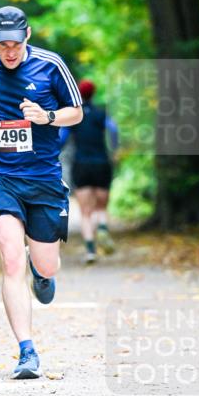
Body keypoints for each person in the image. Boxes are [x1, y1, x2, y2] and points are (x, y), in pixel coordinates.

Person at [0, 6, 83, 379]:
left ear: (27, 36)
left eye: (15, 44)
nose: (9, 52)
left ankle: (41, 272)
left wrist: (48, 117)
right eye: (2, 45)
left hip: (43, 178)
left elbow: (76, 111)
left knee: (47, 264)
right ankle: (27, 352)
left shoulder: (50, 65)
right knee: (11, 260)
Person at [61, 79, 118, 263]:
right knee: (101, 206)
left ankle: (91, 251)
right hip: (101, 162)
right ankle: (102, 228)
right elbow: (113, 129)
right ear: (93, 94)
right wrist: (114, 149)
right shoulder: (101, 113)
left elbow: (62, 137)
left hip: (81, 164)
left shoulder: (74, 115)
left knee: (85, 212)